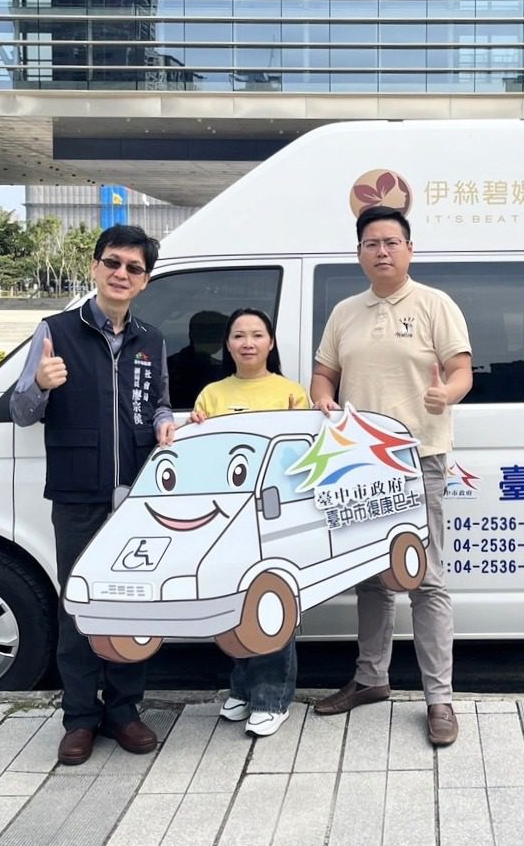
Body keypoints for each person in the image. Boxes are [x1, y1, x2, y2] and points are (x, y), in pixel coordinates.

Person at [9, 224, 175, 766]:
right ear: (95, 267)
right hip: (78, 495)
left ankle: (124, 711)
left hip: (136, 501)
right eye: (113, 263)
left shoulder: (151, 340)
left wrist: (164, 421)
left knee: (131, 607)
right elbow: (20, 412)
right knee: (78, 605)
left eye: (134, 268)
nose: (121, 274)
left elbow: (158, 402)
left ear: (145, 281)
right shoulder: (55, 331)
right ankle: (80, 718)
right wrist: (40, 384)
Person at [309, 205, 473, 747]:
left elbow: (461, 371)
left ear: (409, 249)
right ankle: (370, 679)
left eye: (391, 242)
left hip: (417, 457)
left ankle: (439, 699)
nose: (381, 251)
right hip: (360, 462)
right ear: (358, 253)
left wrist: (446, 393)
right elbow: (323, 375)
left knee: (426, 580)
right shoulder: (345, 312)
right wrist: (324, 400)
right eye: (371, 243)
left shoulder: (434, 304)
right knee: (372, 578)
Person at [188, 307, 310, 737]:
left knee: (270, 603)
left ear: (271, 343)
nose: (248, 343)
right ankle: (242, 688)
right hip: (226, 520)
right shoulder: (211, 395)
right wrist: (193, 428)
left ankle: (272, 698)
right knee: (234, 605)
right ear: (228, 344)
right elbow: (200, 460)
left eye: (257, 335)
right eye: (239, 335)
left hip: (275, 515)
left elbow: (303, 459)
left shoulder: (291, 392)